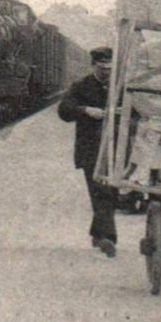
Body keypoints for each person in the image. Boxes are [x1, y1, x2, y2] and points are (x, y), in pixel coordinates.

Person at [59, 46, 118, 257]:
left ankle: (97, 232)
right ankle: (108, 238)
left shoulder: (120, 87)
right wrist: (84, 110)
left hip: (116, 147)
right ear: (93, 66)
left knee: (113, 192)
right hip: (90, 148)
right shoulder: (81, 86)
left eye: (110, 69)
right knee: (100, 190)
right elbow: (63, 111)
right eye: (102, 69)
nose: (106, 73)